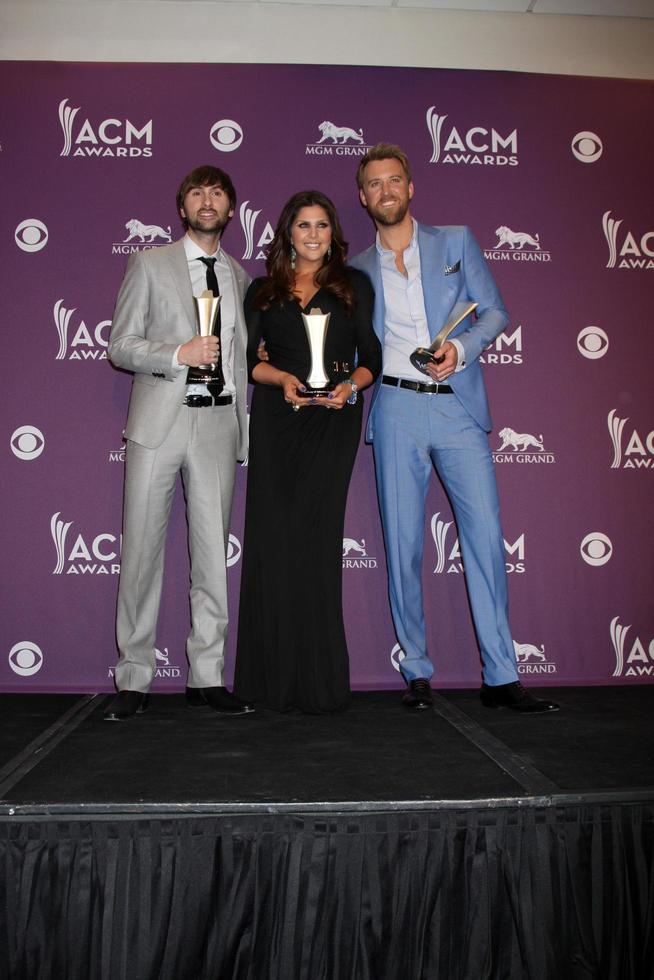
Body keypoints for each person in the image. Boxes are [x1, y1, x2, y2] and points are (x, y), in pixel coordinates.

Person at [351, 144, 558, 713]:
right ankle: (416, 670)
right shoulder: (357, 269)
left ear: (411, 187)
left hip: (458, 407)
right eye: (374, 183)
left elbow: (494, 311)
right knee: (402, 544)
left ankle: (501, 674)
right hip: (393, 409)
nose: (386, 190)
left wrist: (461, 351)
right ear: (363, 195)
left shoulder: (456, 241)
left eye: (395, 180)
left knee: (486, 539)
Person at [104, 165, 254, 720]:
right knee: (141, 549)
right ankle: (134, 678)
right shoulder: (149, 263)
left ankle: (207, 676)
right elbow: (120, 345)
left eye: (218, 192)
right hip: (159, 424)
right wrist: (176, 354)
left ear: (231, 209)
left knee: (214, 557)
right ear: (182, 206)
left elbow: (238, 357)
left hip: (218, 424)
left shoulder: (238, 275)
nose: (207, 200)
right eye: (197, 192)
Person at [233, 190, 382, 713]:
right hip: (277, 419)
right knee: (272, 542)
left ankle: (319, 684)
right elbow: (249, 360)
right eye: (303, 225)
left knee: (316, 544)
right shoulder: (263, 289)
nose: (313, 234)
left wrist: (351, 389)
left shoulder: (352, 285)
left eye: (322, 225)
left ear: (332, 232)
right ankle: (267, 681)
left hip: (333, 421)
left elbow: (373, 357)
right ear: (288, 234)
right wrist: (281, 379)